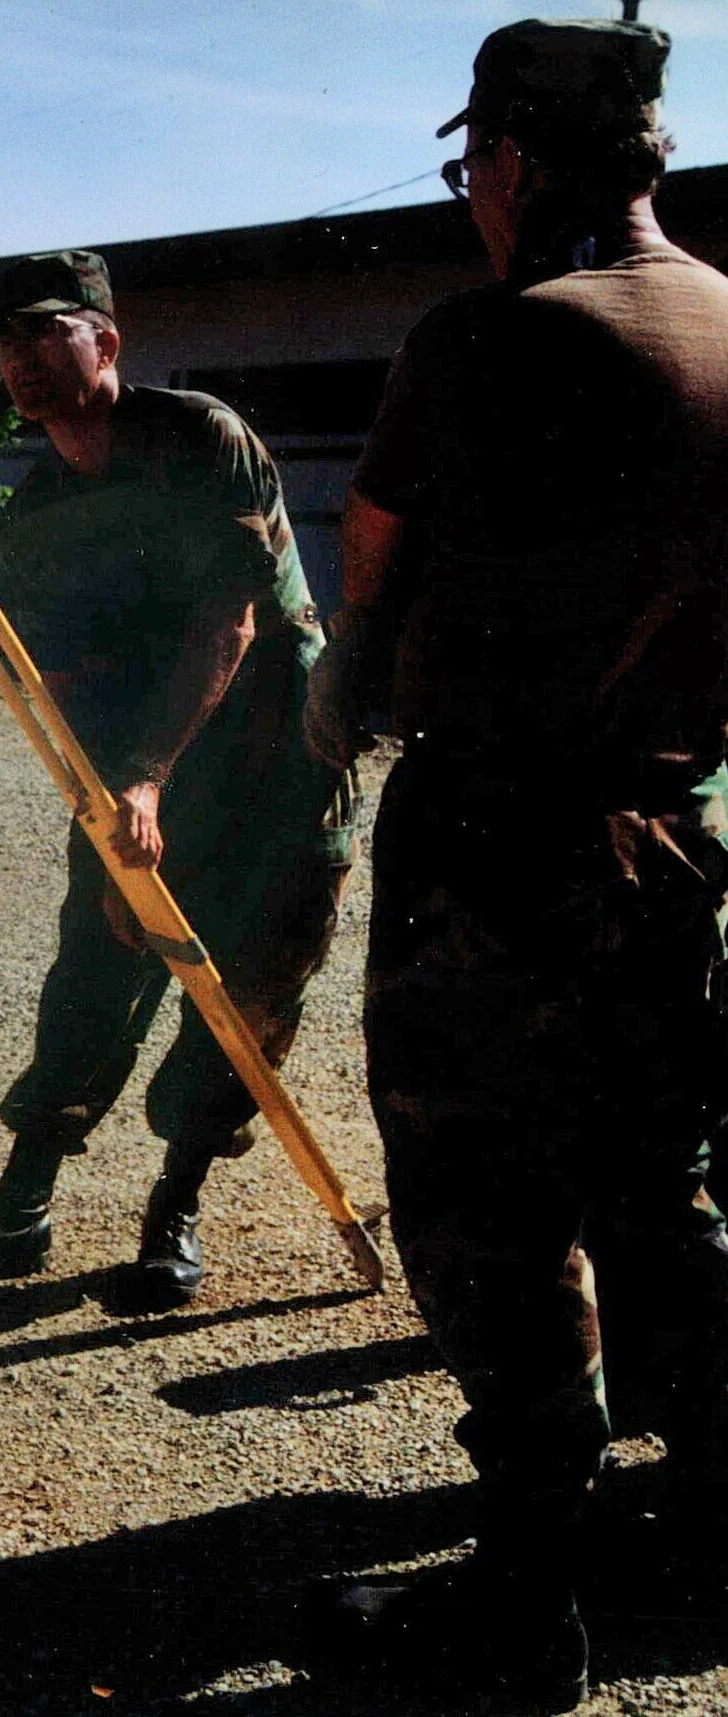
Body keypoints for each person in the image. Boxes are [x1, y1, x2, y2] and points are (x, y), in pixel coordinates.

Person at [296, 19, 728, 1710]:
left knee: (494, 1209)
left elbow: (377, 551)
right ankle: (704, 1529)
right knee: (662, 1180)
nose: (469, 194)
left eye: (474, 164)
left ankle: (525, 1597)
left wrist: (348, 684)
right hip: (680, 836)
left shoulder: (487, 338)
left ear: (521, 165)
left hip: (499, 838)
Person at [0, 252, 357, 1312]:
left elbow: (230, 621)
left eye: (41, 334)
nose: (17, 361)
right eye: (0, 345)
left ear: (104, 341)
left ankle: (175, 1207)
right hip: (140, 773)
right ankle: (21, 1207)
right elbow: (58, 681)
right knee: (93, 976)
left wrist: (145, 778)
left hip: (275, 763)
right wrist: (107, 804)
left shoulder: (199, 437)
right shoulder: (35, 512)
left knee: (245, 996)